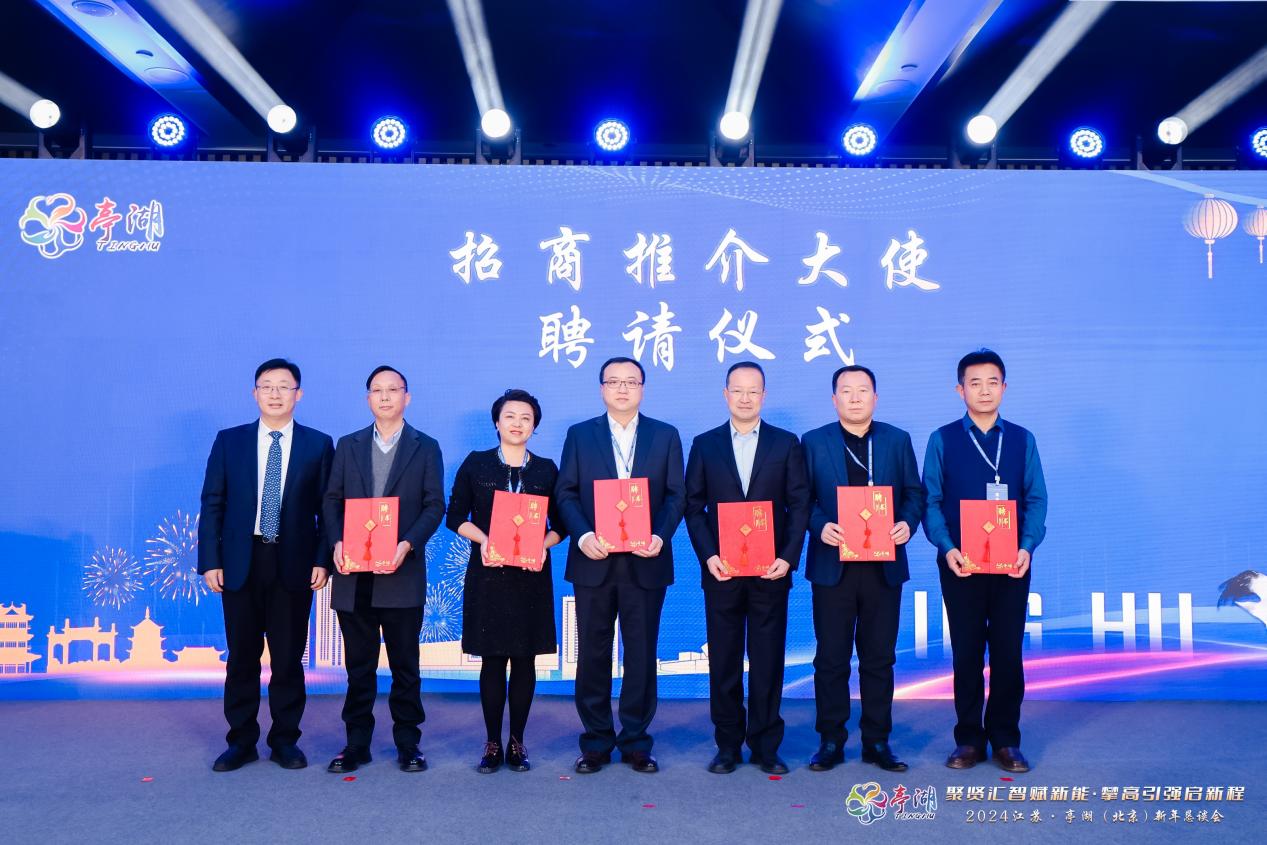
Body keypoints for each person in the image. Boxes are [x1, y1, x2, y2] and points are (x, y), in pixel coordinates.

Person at [198, 358, 334, 772]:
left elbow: (328, 509)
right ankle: (241, 741)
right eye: (267, 386)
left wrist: (322, 560)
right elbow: (213, 502)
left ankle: (285, 741)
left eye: (284, 386)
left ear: (298, 394)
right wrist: (210, 560)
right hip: (241, 561)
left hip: (293, 563)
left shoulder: (318, 444)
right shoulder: (230, 441)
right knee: (242, 656)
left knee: (288, 658)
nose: (275, 394)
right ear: (254, 393)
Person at [555, 357, 685, 774]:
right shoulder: (580, 435)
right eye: (614, 382)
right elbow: (565, 493)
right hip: (594, 559)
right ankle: (595, 741)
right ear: (602, 389)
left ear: (643, 388)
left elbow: (676, 495)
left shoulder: (665, 435)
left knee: (641, 653)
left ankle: (636, 742)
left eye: (631, 382)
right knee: (593, 654)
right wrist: (583, 536)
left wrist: (660, 535)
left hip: (646, 561)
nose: (623, 389)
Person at [922, 349, 1047, 773]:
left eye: (993, 382)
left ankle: (1007, 739)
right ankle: (969, 740)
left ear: (1004, 388)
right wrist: (947, 547)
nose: (984, 390)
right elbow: (931, 500)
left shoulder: (1023, 439)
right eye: (974, 383)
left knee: (1008, 652)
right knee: (967, 652)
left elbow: (1036, 499)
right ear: (960, 390)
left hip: (1012, 564)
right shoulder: (942, 439)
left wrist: (1026, 547)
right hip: (962, 564)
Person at [684, 361, 810, 775]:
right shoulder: (705, 444)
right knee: (723, 661)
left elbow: (799, 505)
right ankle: (727, 745)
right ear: (725, 394)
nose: (745, 398)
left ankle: (766, 745)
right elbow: (693, 506)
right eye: (737, 390)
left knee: (768, 661)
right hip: (722, 570)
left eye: (753, 391)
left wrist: (787, 557)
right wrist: (708, 556)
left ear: (763, 396)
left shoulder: (785, 443)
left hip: (770, 571)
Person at [801, 365, 923, 773]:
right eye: (846, 391)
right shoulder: (813, 442)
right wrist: (820, 526)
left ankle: (877, 741)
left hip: (883, 566)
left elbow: (914, 493)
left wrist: (907, 522)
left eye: (863, 390)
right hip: (832, 565)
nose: (855, 398)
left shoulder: (896, 440)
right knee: (831, 659)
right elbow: (800, 499)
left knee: (879, 658)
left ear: (875, 397)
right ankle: (830, 740)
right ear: (833, 398)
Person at [323, 365, 445, 774]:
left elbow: (434, 505)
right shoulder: (348, 445)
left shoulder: (425, 447)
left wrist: (407, 543)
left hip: (401, 572)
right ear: (368, 399)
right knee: (358, 668)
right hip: (354, 574)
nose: (386, 397)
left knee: (405, 667)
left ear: (407, 397)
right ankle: (356, 744)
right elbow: (331, 500)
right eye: (378, 390)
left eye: (394, 390)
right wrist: (337, 541)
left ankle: (408, 744)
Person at [446, 389, 563, 774]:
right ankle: (493, 742)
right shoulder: (476, 464)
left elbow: (561, 524)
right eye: (510, 416)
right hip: (489, 574)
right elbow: (455, 517)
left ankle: (518, 742)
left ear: (534, 426)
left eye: (526, 418)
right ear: (497, 422)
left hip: (531, 577)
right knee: (493, 660)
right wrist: (484, 540)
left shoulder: (546, 470)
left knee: (525, 660)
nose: (517, 423)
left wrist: (543, 545)